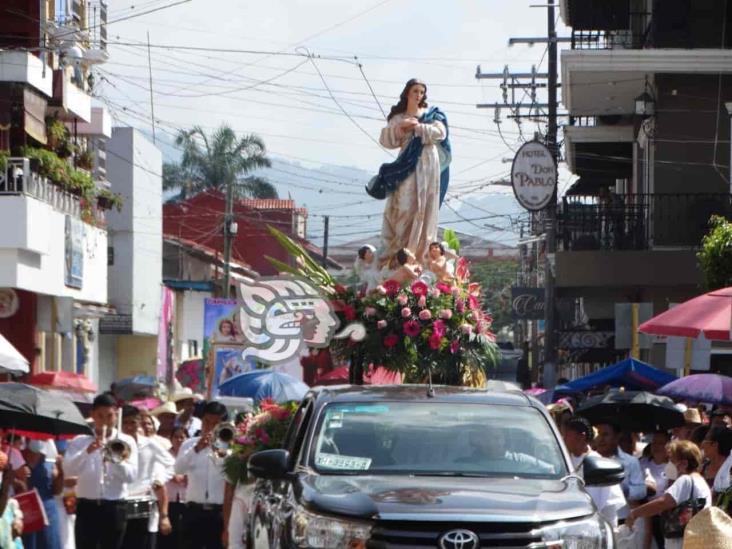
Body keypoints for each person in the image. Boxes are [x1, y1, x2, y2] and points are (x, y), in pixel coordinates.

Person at [371, 78, 450, 269]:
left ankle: (420, 256)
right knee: (403, 206)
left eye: (421, 92)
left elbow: (441, 133)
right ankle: (398, 255)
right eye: (415, 91)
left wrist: (416, 127)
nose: (418, 95)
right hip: (406, 164)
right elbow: (386, 139)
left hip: (428, 163)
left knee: (425, 206)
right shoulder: (399, 117)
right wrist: (401, 127)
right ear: (407, 93)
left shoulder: (432, 114)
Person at [65, 393, 139, 549]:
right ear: (92, 415)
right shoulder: (80, 440)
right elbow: (68, 469)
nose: (105, 420)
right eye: (100, 416)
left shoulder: (127, 441)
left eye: (110, 416)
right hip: (87, 506)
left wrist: (115, 459)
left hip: (115, 506)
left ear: (116, 414)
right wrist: (87, 452)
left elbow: (131, 476)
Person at [627, 440, 711, 549]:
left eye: (671, 460)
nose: (668, 464)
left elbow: (662, 503)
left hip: (681, 542)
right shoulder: (700, 481)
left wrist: (635, 513)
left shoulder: (685, 480)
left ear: (684, 463)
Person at [174, 401, 229, 549]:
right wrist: (197, 449)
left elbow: (230, 476)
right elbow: (179, 469)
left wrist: (218, 448)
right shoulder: (189, 444)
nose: (210, 427)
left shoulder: (229, 447)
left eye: (215, 423)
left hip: (218, 512)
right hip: (193, 511)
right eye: (207, 422)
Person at [121, 405, 175, 549]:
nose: (128, 427)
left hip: (142, 502)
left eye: (132, 422)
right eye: (125, 423)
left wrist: (159, 480)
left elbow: (171, 464)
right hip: (119, 500)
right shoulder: (115, 442)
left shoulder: (149, 444)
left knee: (140, 541)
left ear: (138, 422)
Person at [562, 416, 626, 527]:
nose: (563, 439)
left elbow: (594, 503)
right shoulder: (566, 459)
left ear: (581, 437)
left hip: (595, 526)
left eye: (567, 435)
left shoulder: (594, 461)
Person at [594, 422, 647, 522]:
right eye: (598, 434)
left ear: (617, 437)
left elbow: (641, 490)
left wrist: (623, 488)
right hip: (596, 519)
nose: (601, 439)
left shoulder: (630, 462)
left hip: (621, 518)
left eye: (605, 435)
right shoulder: (588, 459)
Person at [21, 439, 63, 549]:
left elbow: (57, 491)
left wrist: (61, 471)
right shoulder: (19, 460)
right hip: (26, 513)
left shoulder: (50, 462)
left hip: (48, 513)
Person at [639, 431, 670, 549]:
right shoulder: (642, 463)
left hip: (662, 517)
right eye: (654, 443)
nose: (656, 446)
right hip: (642, 513)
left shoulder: (672, 466)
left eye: (661, 443)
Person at [159, 427, 187, 549]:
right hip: (168, 500)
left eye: (182, 437)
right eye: (176, 437)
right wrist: (171, 476)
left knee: (184, 537)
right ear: (170, 439)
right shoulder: (164, 455)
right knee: (168, 538)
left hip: (185, 500)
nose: (179, 440)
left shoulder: (190, 455)